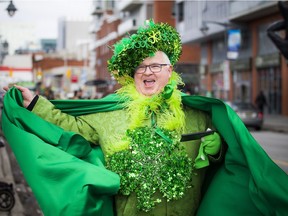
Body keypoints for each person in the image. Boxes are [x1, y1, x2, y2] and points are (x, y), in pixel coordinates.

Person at [2, 20, 288, 216]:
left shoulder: (198, 115)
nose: (148, 72)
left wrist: (215, 151)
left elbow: (229, 160)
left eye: (156, 66)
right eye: (140, 67)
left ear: (170, 71)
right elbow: (71, 128)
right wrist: (35, 103)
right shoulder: (109, 112)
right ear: (131, 73)